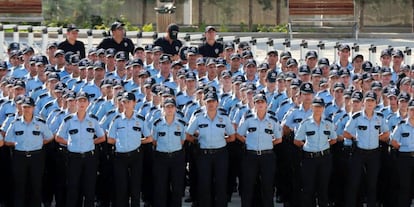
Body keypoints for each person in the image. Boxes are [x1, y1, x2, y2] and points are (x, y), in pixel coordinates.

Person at [56, 91, 106, 207]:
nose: (82, 103)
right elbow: (58, 137)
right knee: (73, 187)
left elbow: (102, 137)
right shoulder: (68, 120)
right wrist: (69, 143)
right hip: (74, 158)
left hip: (89, 158)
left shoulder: (93, 120)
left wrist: (91, 142)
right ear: (75, 102)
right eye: (80, 100)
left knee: (89, 188)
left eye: (84, 101)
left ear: (88, 103)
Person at [186, 92, 236, 207]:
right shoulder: (199, 118)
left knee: (221, 184)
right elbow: (188, 134)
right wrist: (197, 141)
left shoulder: (224, 118)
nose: (211, 104)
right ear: (204, 103)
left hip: (220, 155)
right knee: (204, 185)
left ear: (217, 103)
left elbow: (232, 137)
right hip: (204, 155)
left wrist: (221, 141)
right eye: (208, 101)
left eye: (213, 101)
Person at [4, 96, 54, 207]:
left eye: (29, 107)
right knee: (19, 186)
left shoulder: (40, 123)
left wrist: (39, 143)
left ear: (34, 108)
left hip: (36, 157)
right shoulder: (15, 123)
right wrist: (16, 144)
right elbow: (7, 141)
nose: (26, 109)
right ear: (21, 108)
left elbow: (50, 137)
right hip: (20, 157)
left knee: (36, 186)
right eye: (24, 107)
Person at [343, 91, 390, 207]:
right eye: (368, 100)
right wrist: (356, 138)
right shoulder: (357, 117)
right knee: (354, 183)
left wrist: (376, 137)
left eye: (372, 101)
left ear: (376, 103)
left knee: (372, 184)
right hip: (359, 153)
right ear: (363, 102)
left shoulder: (380, 117)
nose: (370, 103)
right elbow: (346, 133)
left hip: (374, 154)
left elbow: (387, 133)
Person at [236, 93, 282, 207]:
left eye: (262, 102)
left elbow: (279, 139)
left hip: (267, 157)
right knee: (248, 186)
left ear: (266, 104)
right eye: (258, 102)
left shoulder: (272, 119)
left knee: (268, 186)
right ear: (254, 104)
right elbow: (239, 134)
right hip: (251, 156)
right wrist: (248, 142)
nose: (260, 104)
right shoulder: (248, 118)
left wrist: (267, 144)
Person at [107, 92, 152, 207]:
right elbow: (110, 139)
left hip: (135, 156)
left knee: (135, 186)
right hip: (120, 156)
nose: (126, 104)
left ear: (134, 103)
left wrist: (137, 141)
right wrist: (121, 141)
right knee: (121, 187)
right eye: (124, 102)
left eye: (129, 102)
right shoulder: (117, 119)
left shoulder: (140, 119)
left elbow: (149, 138)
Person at [294, 97, 337, 207]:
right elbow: (297, 140)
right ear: (312, 107)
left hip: (324, 159)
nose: (318, 109)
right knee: (309, 188)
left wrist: (324, 146)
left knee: (323, 188)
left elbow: (334, 139)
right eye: (316, 106)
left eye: (320, 107)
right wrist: (308, 146)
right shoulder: (305, 123)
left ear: (323, 108)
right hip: (309, 159)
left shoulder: (328, 123)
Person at [152, 98, 187, 207]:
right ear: (163, 109)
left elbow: (182, 140)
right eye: (167, 107)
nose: (170, 109)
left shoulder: (181, 124)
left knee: (177, 187)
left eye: (172, 107)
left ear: (176, 108)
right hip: (161, 158)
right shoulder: (157, 124)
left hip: (177, 157)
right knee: (161, 187)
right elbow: (154, 141)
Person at [390, 98, 414, 207]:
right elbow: (393, 141)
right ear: (408, 110)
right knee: (405, 187)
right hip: (404, 158)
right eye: (412, 109)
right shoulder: (401, 125)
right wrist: (404, 147)